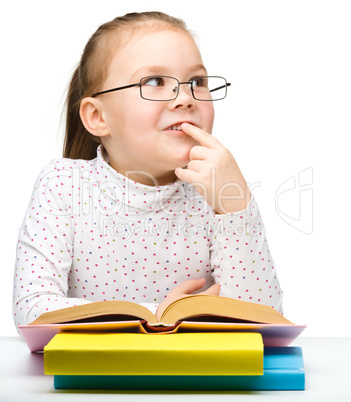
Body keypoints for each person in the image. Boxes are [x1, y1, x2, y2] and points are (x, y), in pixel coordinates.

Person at [13, 11, 283, 329]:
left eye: (197, 81)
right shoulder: (63, 185)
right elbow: (33, 311)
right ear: (98, 117)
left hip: (197, 378)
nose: (185, 98)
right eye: (155, 82)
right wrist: (157, 315)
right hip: (94, 379)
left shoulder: (216, 194)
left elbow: (265, 324)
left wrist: (236, 207)